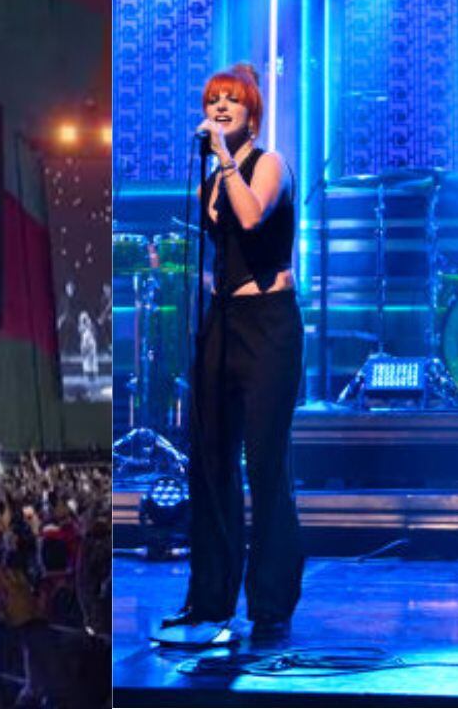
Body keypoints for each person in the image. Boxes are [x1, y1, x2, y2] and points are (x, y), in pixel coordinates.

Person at [162, 62, 303, 644]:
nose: (219, 108)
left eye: (232, 102)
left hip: (269, 324)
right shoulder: (210, 177)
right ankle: (210, 595)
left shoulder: (267, 164)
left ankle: (270, 599)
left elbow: (250, 216)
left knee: (263, 461)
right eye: (213, 100)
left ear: (252, 113)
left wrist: (224, 156)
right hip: (222, 320)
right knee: (210, 459)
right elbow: (217, 243)